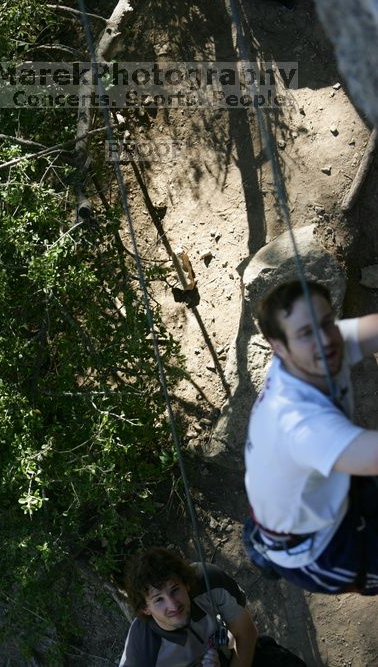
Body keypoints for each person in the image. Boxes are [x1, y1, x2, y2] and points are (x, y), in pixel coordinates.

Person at [244, 279, 378, 594]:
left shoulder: (315, 351)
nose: (325, 340)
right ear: (278, 347)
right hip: (320, 548)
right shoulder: (298, 422)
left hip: (329, 492)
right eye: (306, 333)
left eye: (326, 322)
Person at [119, 546, 306, 666]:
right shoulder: (142, 651)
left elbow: (246, 634)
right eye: (159, 600)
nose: (173, 604)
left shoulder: (210, 581)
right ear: (145, 608)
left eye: (175, 589)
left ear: (187, 584)